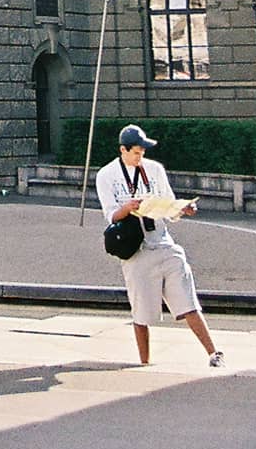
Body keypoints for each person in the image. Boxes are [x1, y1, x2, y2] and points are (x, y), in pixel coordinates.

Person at [96, 123, 224, 369]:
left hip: (163, 242)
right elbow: (111, 215)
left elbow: (169, 205)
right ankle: (145, 363)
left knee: (188, 300)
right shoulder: (107, 175)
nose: (140, 156)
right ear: (123, 150)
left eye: (143, 151)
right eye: (136, 152)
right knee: (142, 311)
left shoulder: (154, 169)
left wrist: (183, 209)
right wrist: (128, 208)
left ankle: (213, 352)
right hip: (136, 249)